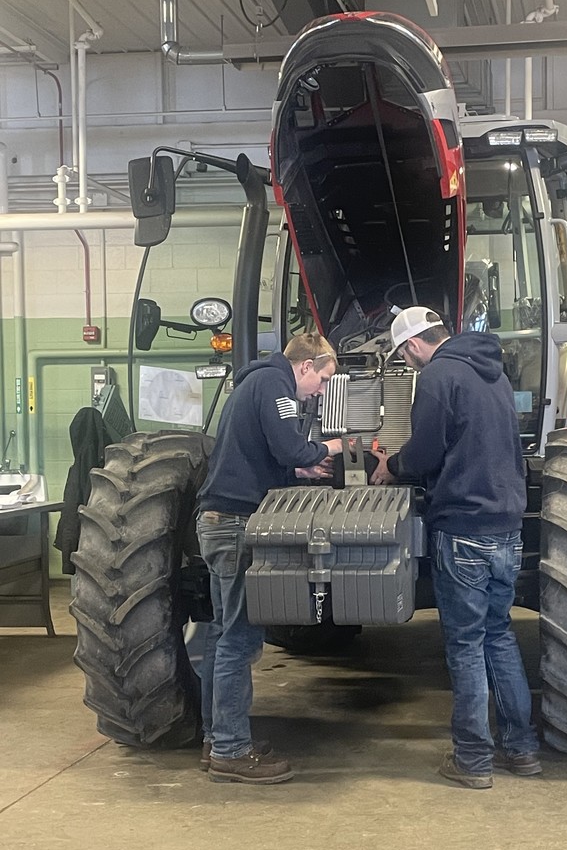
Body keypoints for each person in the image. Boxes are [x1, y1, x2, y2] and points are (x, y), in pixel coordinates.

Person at [371, 306, 540, 789]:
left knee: (465, 645)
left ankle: (472, 759)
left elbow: (426, 449)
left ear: (412, 346)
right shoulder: (494, 374)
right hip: (506, 525)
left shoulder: (438, 376)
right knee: (498, 636)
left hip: (463, 525)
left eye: (406, 355)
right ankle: (521, 749)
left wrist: (393, 466)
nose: (409, 362)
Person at [196, 333, 344, 785]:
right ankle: (231, 751)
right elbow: (290, 448)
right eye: (321, 381)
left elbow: (269, 456)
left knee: (223, 638)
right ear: (305, 367)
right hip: (238, 525)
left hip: (219, 520)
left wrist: (296, 469)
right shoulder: (274, 384)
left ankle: (218, 737)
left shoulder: (253, 385)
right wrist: (334, 448)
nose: (319, 392)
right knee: (240, 641)